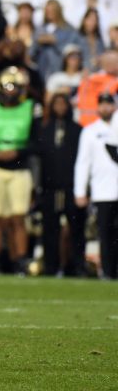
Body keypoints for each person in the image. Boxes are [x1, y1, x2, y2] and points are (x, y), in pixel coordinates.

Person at [0, 67, 38, 274]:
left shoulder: (29, 108)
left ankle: (20, 259)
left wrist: (17, 152)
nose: (12, 91)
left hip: (20, 169)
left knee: (18, 218)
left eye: (16, 87)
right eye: (8, 86)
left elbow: (36, 142)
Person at [38, 93, 85, 276]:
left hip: (71, 187)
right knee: (50, 230)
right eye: (56, 103)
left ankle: (76, 266)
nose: (60, 107)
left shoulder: (77, 130)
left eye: (62, 103)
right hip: (50, 188)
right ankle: (51, 266)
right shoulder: (44, 129)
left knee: (76, 230)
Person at [75, 93, 118, 280]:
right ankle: (107, 271)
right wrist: (80, 191)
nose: (106, 108)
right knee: (106, 234)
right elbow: (83, 163)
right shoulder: (90, 131)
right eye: (102, 104)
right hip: (103, 190)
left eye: (109, 104)